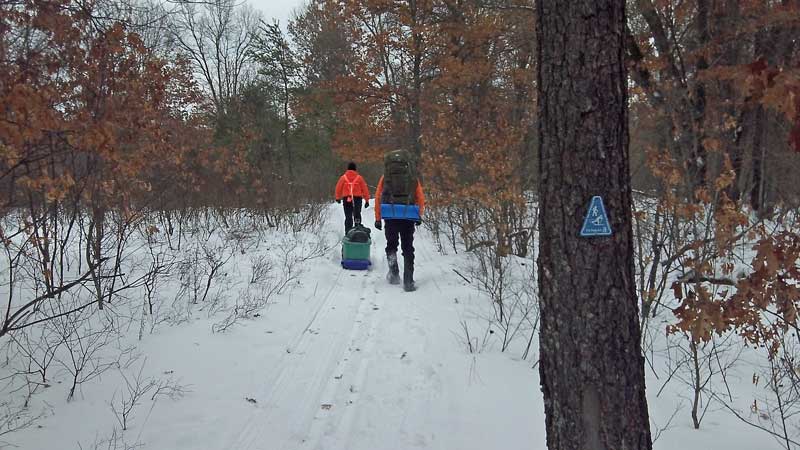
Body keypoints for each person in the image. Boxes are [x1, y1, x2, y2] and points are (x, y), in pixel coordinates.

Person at [373, 150, 425, 292]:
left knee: (391, 245)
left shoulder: (385, 178)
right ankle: (408, 281)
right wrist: (419, 214)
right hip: (408, 215)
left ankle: (394, 274)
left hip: (390, 215)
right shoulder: (413, 178)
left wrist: (378, 218)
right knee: (408, 247)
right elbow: (420, 197)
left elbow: (378, 197)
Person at [335, 162, 370, 234]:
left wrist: (338, 197)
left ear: (348, 169)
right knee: (357, 214)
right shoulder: (359, 178)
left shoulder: (343, 177)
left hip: (347, 198)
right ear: (355, 169)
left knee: (348, 216)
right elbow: (365, 189)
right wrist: (367, 200)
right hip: (357, 199)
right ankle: (358, 231)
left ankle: (348, 232)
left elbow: (338, 188)